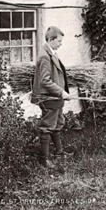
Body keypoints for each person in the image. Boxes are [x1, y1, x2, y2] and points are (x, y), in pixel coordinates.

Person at [31, 26, 70, 169]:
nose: (61, 43)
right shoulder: (44, 56)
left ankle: (59, 152)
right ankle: (44, 158)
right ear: (50, 40)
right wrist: (61, 92)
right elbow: (45, 81)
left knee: (58, 122)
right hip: (49, 97)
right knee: (47, 126)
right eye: (59, 41)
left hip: (55, 97)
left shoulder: (51, 52)